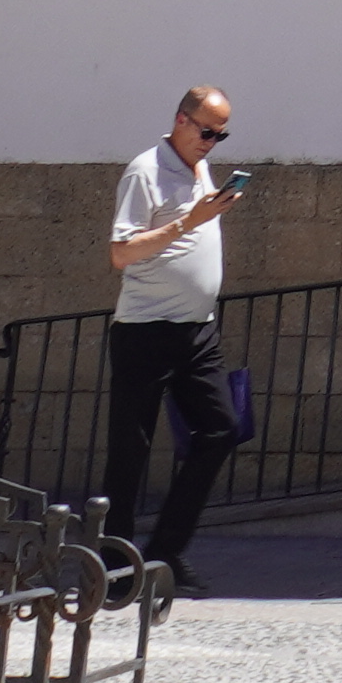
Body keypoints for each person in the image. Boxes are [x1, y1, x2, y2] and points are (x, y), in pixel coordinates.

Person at [97, 84, 244, 572]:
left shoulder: (201, 166)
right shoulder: (145, 172)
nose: (211, 142)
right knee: (130, 452)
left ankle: (165, 552)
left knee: (221, 429)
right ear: (181, 120)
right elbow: (121, 253)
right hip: (146, 330)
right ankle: (114, 567)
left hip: (196, 331)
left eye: (220, 135)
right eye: (206, 131)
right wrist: (189, 222)